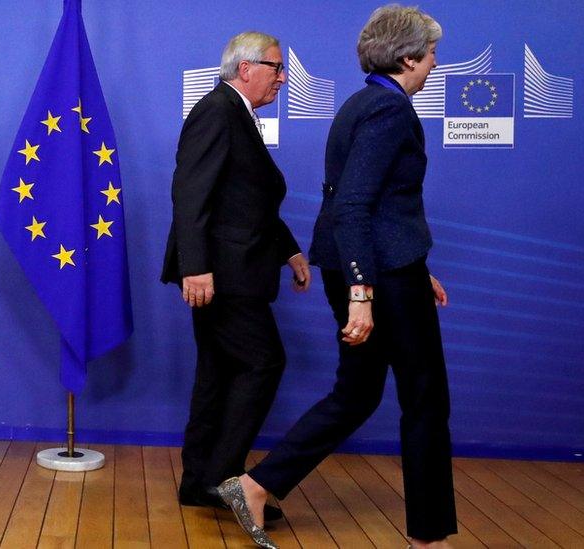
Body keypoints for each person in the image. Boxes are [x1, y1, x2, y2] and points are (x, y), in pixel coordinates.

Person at [217, 5, 458, 549]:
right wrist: (363, 294)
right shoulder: (388, 111)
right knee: (425, 399)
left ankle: (256, 485)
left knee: (357, 394)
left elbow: (382, 209)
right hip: (375, 276)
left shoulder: (362, 103)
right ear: (409, 57)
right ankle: (430, 537)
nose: (435, 65)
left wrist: (416, 269)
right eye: (432, 54)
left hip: (384, 269)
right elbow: (352, 206)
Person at [161, 31, 311, 522]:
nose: (283, 77)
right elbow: (190, 192)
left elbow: (247, 199)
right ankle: (227, 481)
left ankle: (200, 482)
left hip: (232, 270)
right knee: (262, 363)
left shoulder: (236, 113)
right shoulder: (218, 110)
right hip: (222, 275)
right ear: (246, 68)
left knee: (218, 374)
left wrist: (289, 251)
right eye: (276, 66)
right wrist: (196, 266)